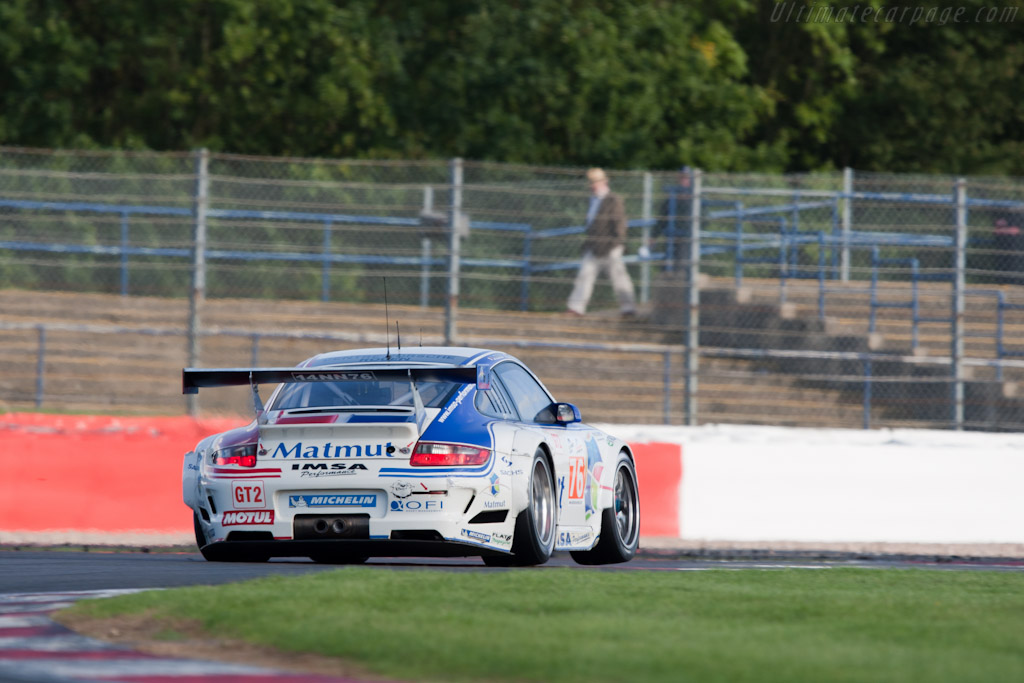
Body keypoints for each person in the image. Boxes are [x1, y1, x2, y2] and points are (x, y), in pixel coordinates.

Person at [566, 168, 637, 317]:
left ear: (604, 181)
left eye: (596, 182)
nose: (593, 185)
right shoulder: (592, 200)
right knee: (585, 275)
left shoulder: (613, 199)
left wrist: (617, 243)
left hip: (611, 245)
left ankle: (628, 307)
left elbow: (619, 223)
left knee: (619, 277)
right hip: (594, 245)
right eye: (591, 182)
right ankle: (576, 308)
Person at [651, 166, 693, 269]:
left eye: (686, 177)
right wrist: (653, 236)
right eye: (681, 177)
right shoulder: (672, 196)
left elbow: (704, 219)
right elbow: (662, 219)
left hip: (688, 239)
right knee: (666, 264)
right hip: (671, 238)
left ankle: (681, 279)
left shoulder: (695, 197)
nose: (683, 180)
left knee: (682, 263)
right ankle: (669, 278)